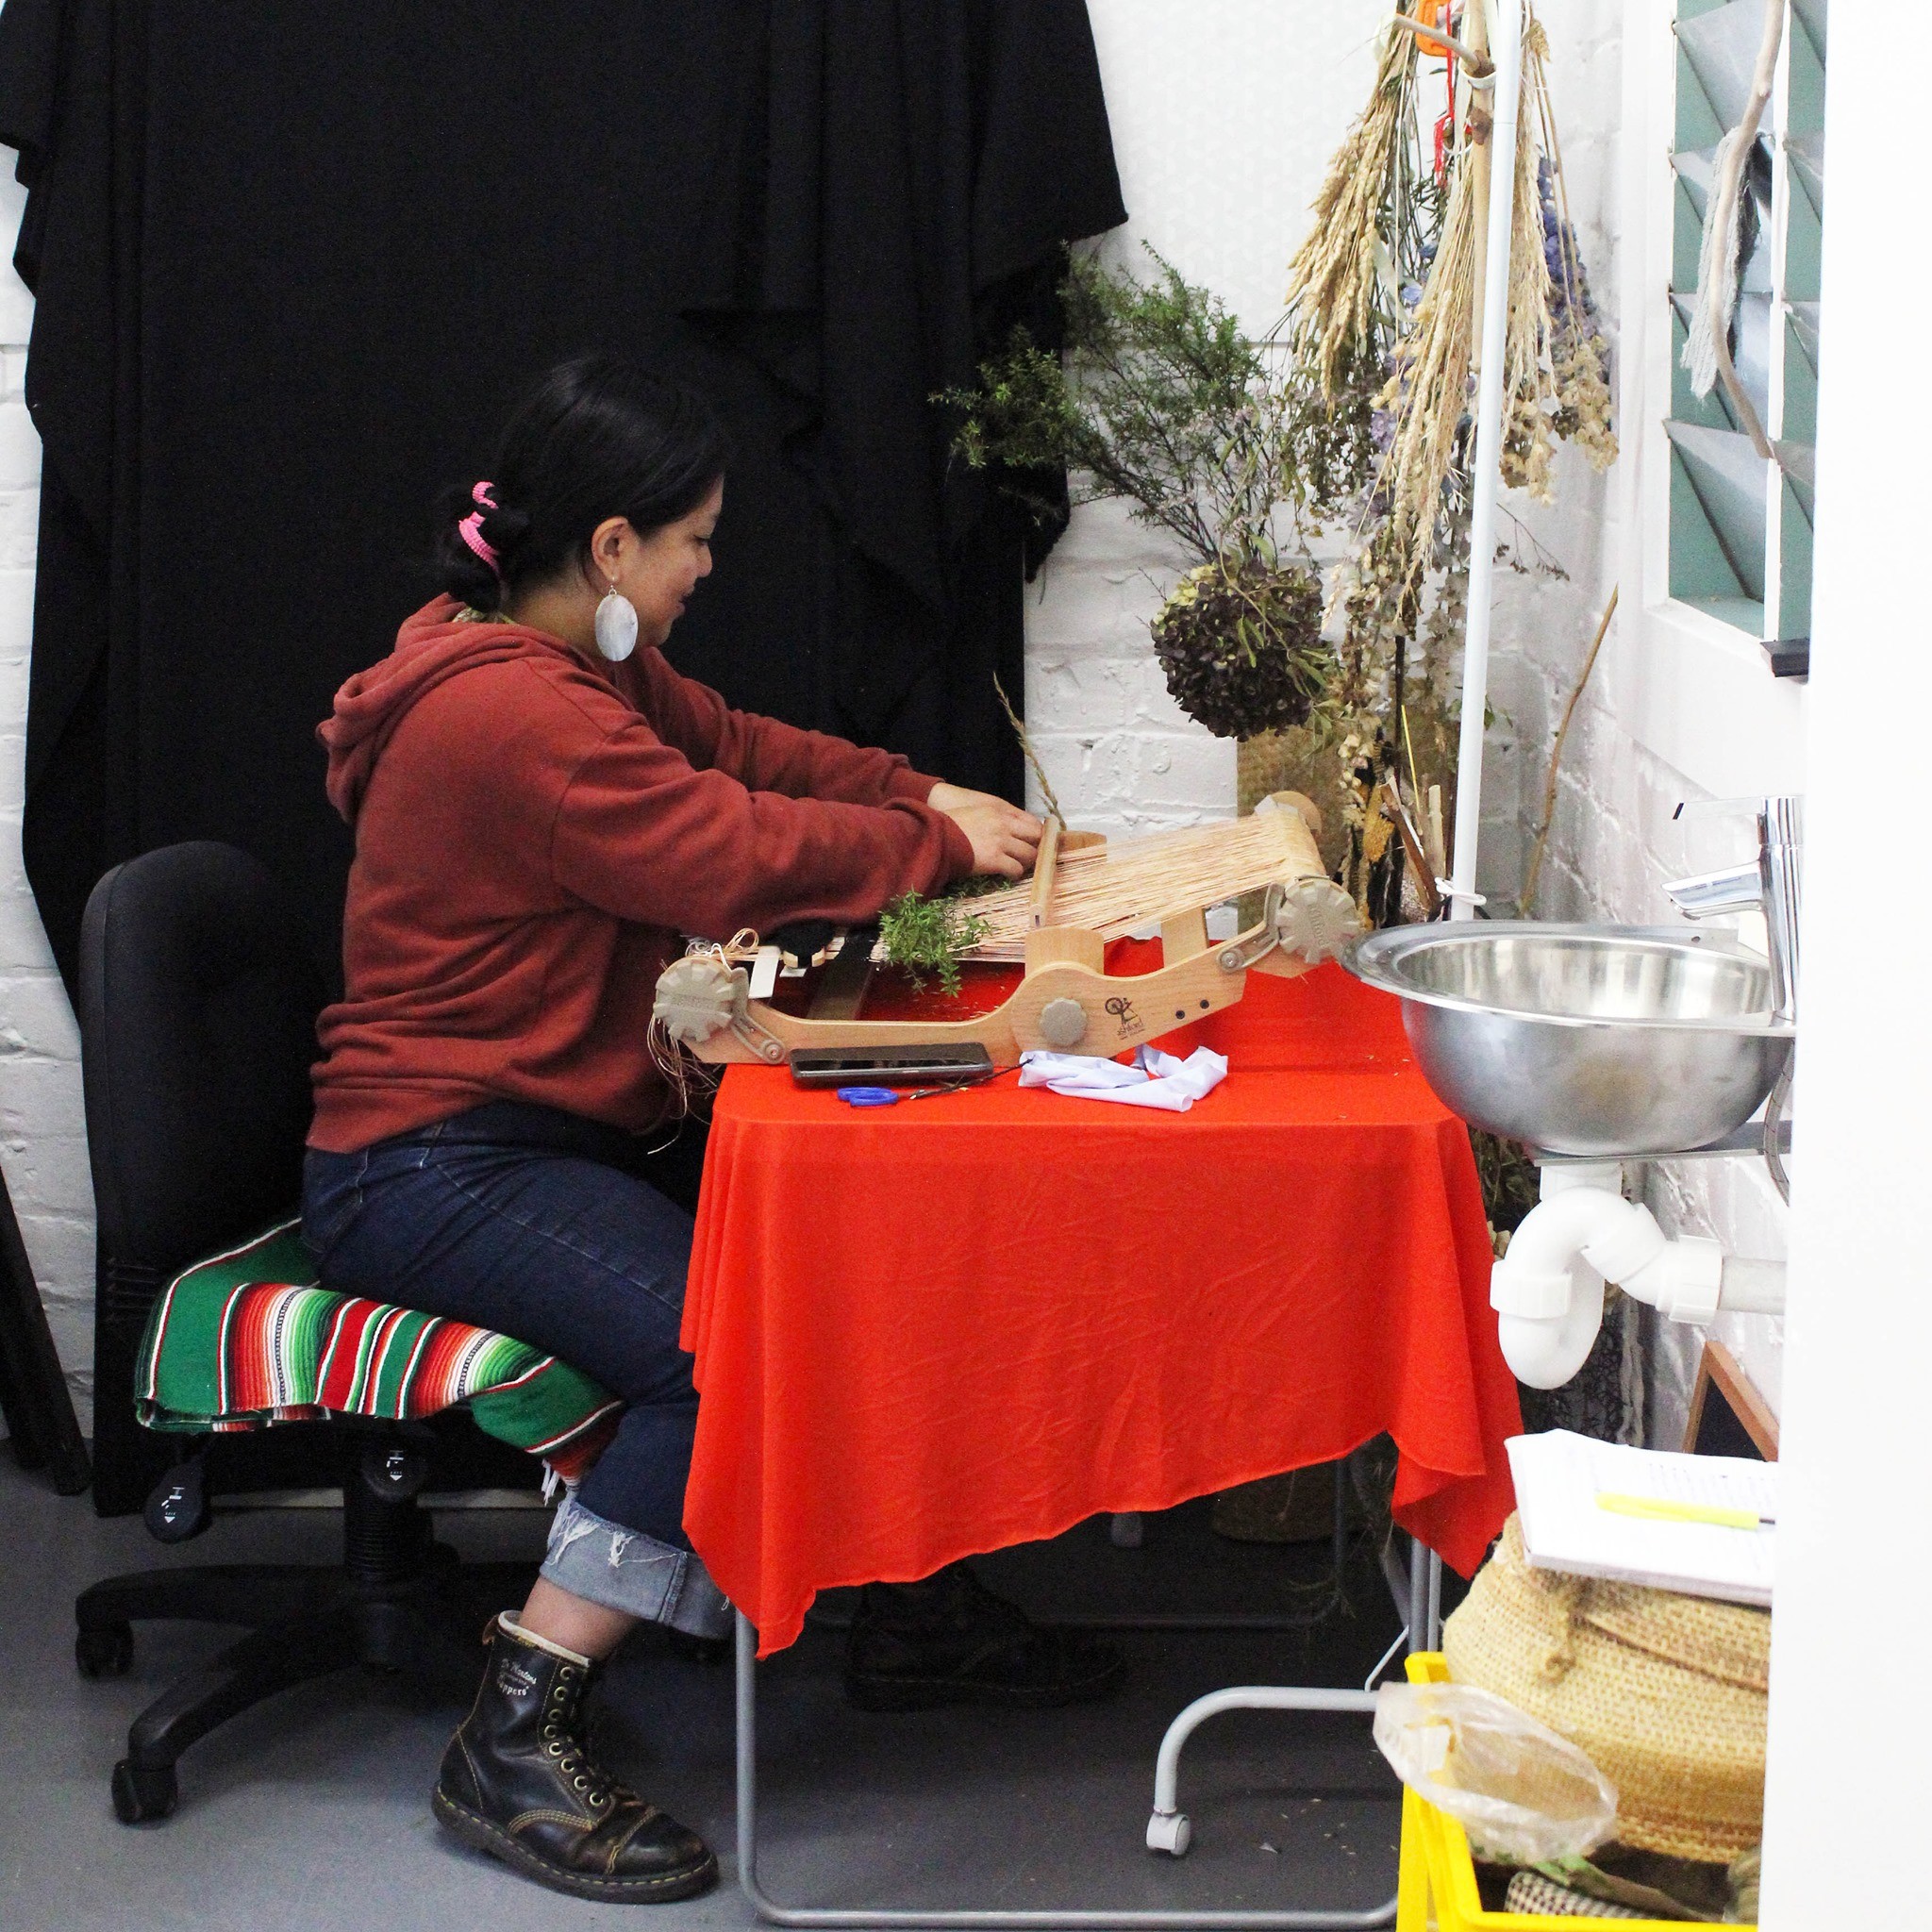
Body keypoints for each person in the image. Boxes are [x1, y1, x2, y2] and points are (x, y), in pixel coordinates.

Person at [300, 356, 1123, 1905]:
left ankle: (891, 1601)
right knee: (723, 1346)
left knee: (848, 1251)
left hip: (527, 1137)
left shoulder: (572, 667)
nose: (704, 573)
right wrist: (932, 843)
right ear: (611, 550)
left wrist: (924, 787)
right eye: (694, 543)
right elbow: (725, 850)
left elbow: (742, 750)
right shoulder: (509, 718)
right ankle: (515, 1731)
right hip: (428, 1162)